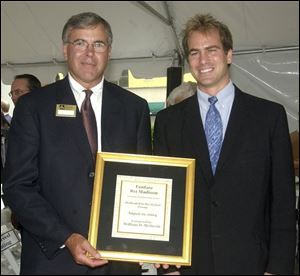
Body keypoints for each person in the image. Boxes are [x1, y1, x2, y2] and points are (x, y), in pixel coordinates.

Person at [3, 12, 151, 275]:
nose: (89, 53)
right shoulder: (33, 107)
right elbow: (18, 186)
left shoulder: (134, 108)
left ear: (109, 51)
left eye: (98, 44)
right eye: (80, 43)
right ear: (65, 49)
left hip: (118, 263)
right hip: (53, 261)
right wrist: (66, 237)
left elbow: (144, 182)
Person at [154, 14, 296, 275]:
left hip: (252, 264)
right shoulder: (168, 122)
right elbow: (164, 198)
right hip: (189, 266)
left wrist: (278, 268)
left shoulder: (268, 117)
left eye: (212, 50)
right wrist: (168, 266)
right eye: (194, 53)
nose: (203, 60)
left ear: (229, 54)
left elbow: (283, 201)